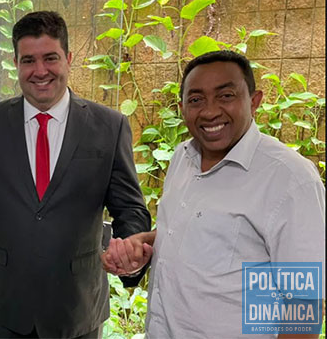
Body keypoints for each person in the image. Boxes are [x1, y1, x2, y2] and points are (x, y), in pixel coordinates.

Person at [0, 11, 151, 338]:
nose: (40, 71)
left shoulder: (109, 127)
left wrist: (130, 245)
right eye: (29, 61)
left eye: (50, 58)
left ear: (68, 59)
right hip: (12, 305)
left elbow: (130, 208)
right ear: (16, 63)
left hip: (78, 307)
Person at [101, 50, 325, 338]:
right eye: (196, 100)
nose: (209, 111)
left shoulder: (288, 179)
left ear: (254, 101)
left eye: (226, 96)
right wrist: (143, 242)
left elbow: (303, 304)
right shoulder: (183, 157)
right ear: (182, 107)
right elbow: (198, 232)